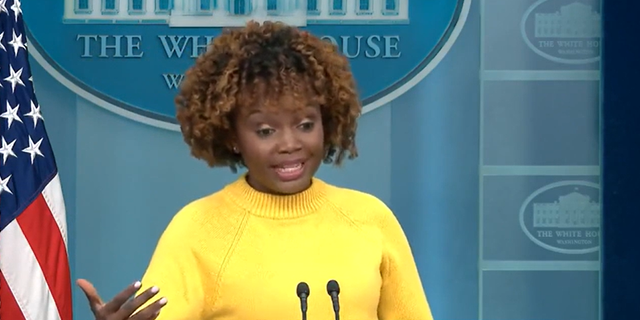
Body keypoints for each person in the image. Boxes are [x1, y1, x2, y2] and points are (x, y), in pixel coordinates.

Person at [76, 20, 434, 320]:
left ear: (328, 122)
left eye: (306, 124)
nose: (289, 143)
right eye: (265, 131)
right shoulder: (197, 229)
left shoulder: (371, 219)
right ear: (232, 136)